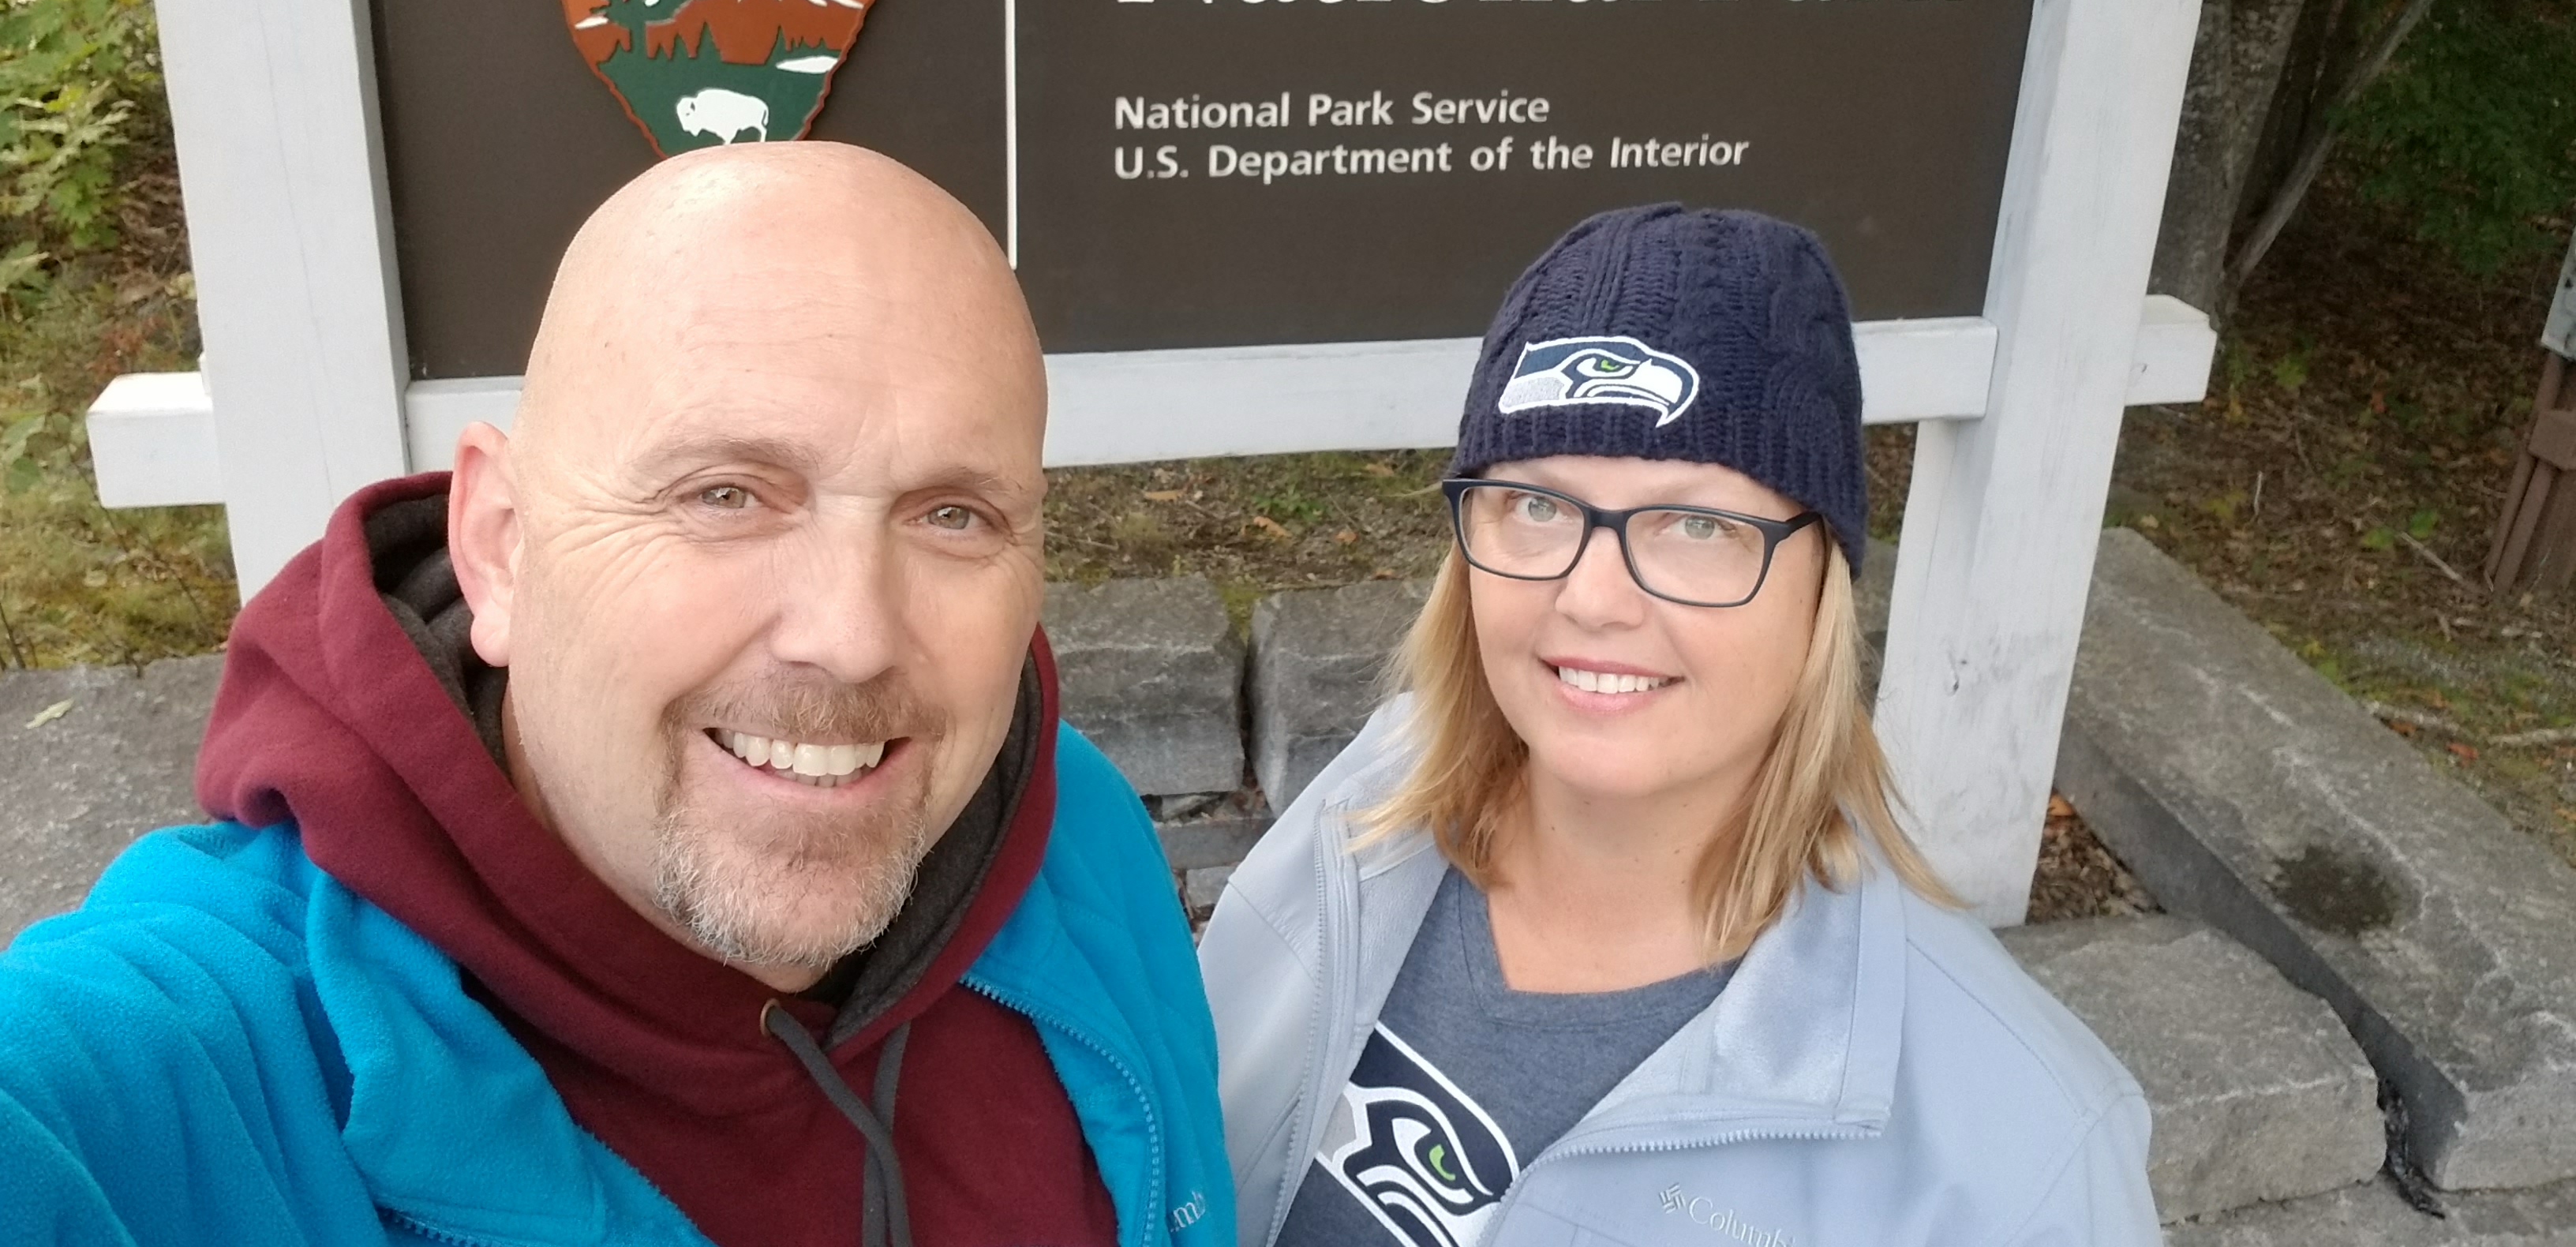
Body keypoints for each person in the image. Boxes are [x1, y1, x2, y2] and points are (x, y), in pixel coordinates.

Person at [0, 144, 1229, 1247]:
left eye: (953, 515)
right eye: (726, 496)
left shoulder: (1072, 836)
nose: (852, 638)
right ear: (501, 547)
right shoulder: (187, 1063)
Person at [1199, 204, 2156, 1247]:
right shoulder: (1368, 805)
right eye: (1537, 507)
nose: (1593, 597)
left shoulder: (2024, 1161)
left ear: (1822, 586)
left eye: (1698, 524)